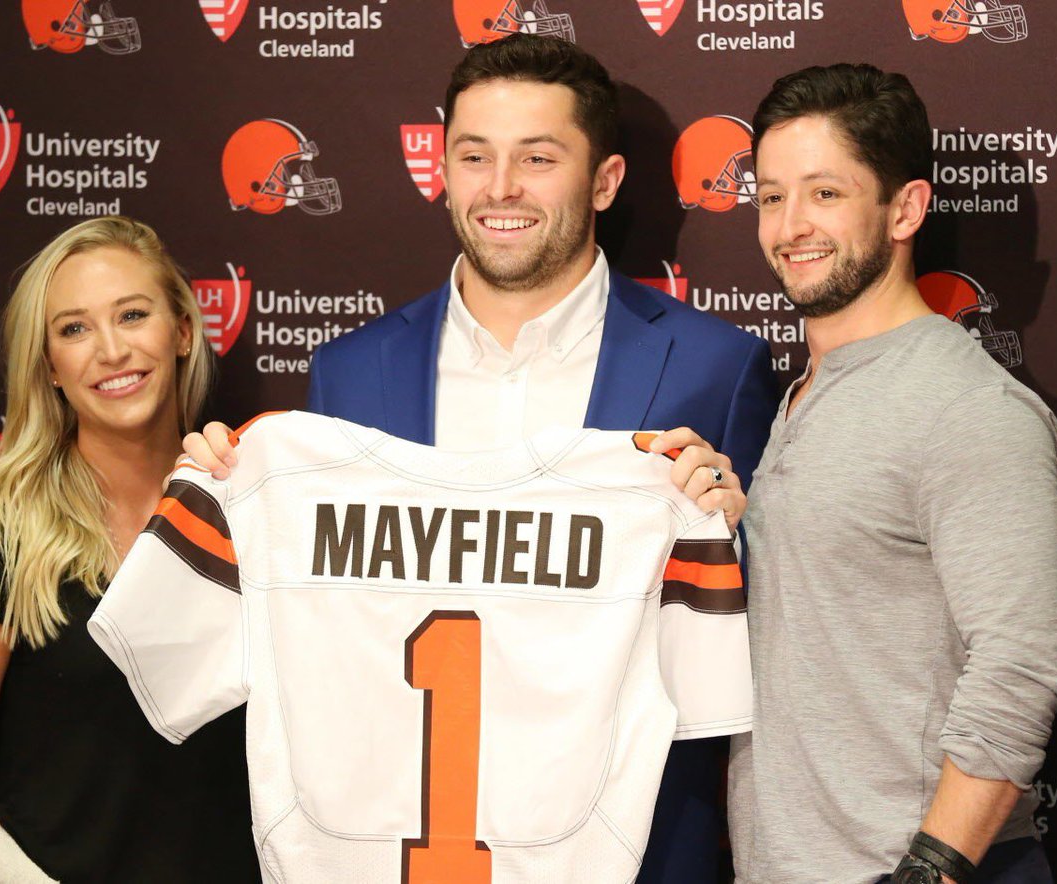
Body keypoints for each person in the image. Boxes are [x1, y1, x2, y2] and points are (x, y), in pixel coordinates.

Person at [185, 33, 778, 883]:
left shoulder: (715, 367)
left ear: (605, 180)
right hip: (397, 845)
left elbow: (774, 628)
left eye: (538, 157)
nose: (501, 188)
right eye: (474, 156)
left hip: (631, 849)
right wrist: (225, 507)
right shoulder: (350, 372)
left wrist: (736, 529)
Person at [728, 64, 1057, 884]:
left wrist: (927, 871)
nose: (790, 226)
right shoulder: (803, 392)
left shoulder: (968, 406)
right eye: (772, 196)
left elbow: (1020, 669)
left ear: (906, 209)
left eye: (824, 193)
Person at [0, 217, 260, 882]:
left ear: (183, 330)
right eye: (74, 328)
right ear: (49, 366)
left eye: (132, 315)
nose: (110, 350)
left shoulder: (258, 509)